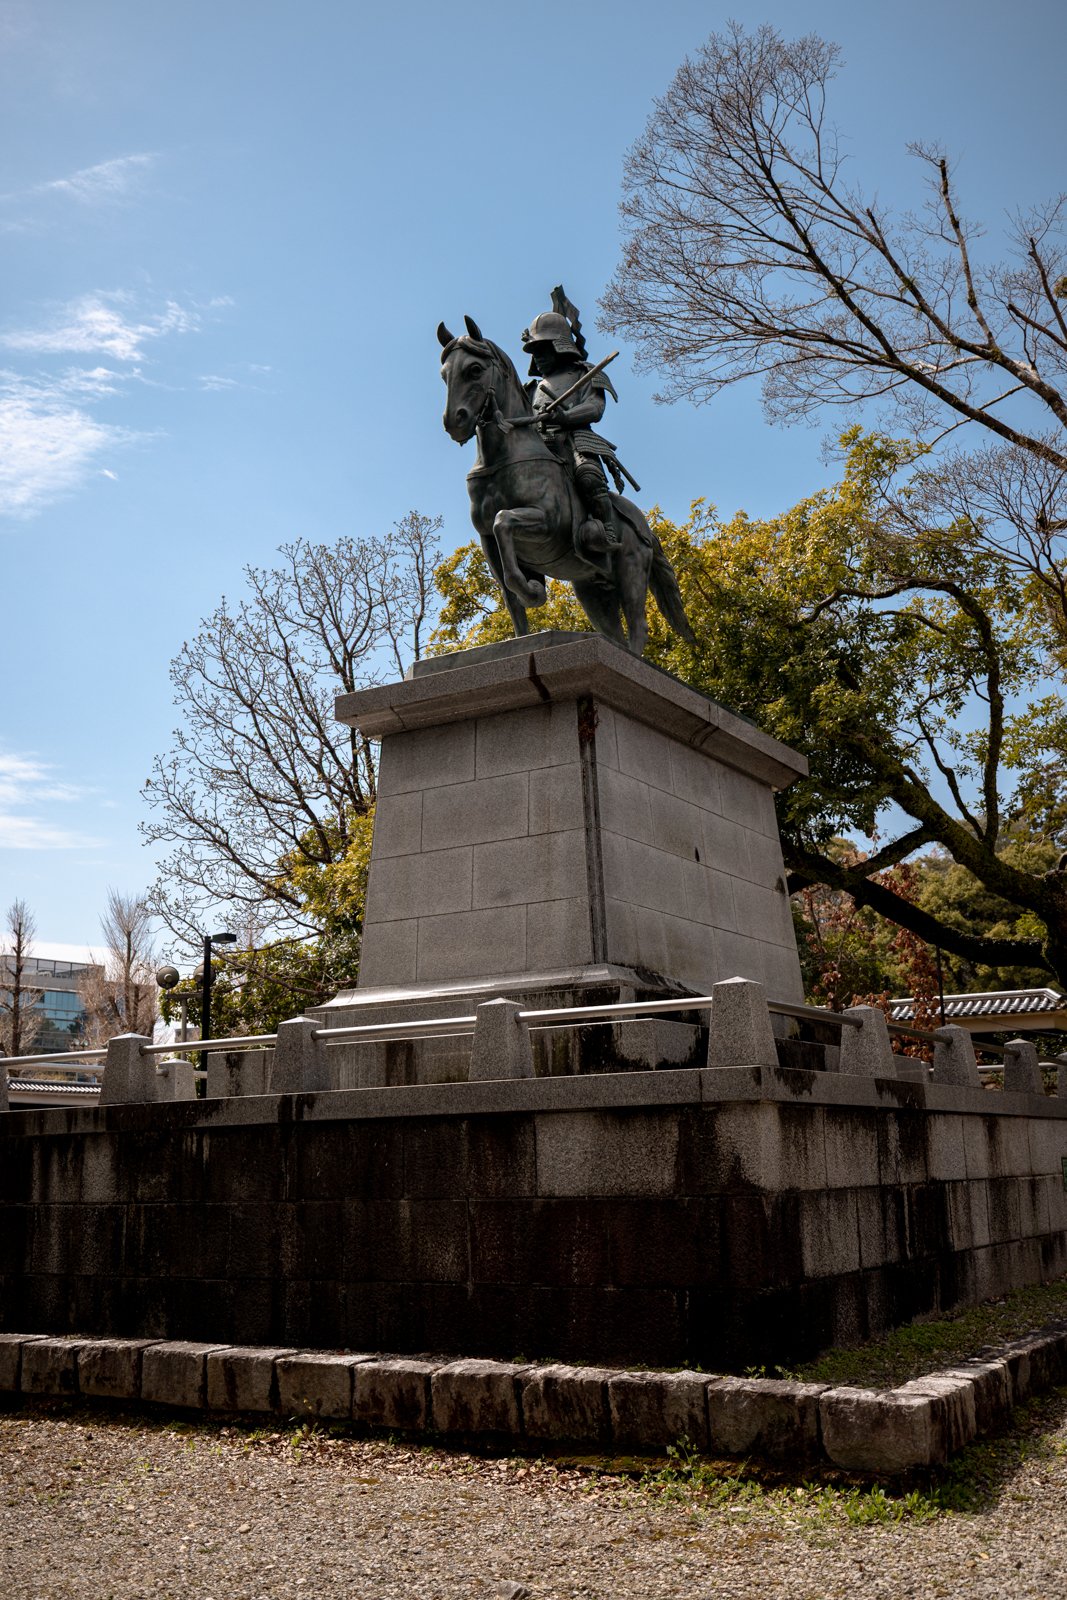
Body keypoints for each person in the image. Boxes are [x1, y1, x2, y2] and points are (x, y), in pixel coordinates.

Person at [520, 306, 630, 568]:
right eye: (535, 351)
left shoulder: (586, 374)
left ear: (560, 347)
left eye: (544, 350)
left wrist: (564, 417)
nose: (539, 357)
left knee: (588, 474)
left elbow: (595, 409)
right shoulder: (530, 389)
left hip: (574, 439)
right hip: (539, 445)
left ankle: (605, 527)